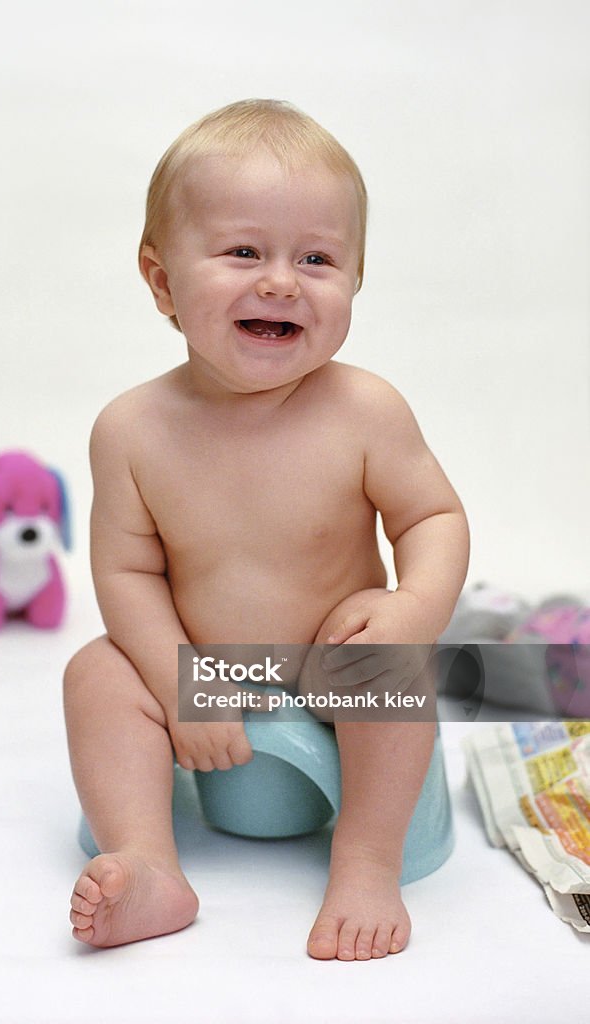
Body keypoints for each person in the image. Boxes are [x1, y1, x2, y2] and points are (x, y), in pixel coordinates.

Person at [64, 99, 469, 961]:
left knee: (392, 674)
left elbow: (431, 516)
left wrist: (415, 607)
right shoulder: (132, 430)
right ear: (163, 279)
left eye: (318, 259)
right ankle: (147, 860)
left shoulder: (364, 410)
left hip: (330, 665)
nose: (282, 281)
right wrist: (179, 684)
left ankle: (365, 863)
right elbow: (127, 576)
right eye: (244, 251)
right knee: (95, 673)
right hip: (203, 669)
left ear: (355, 282)